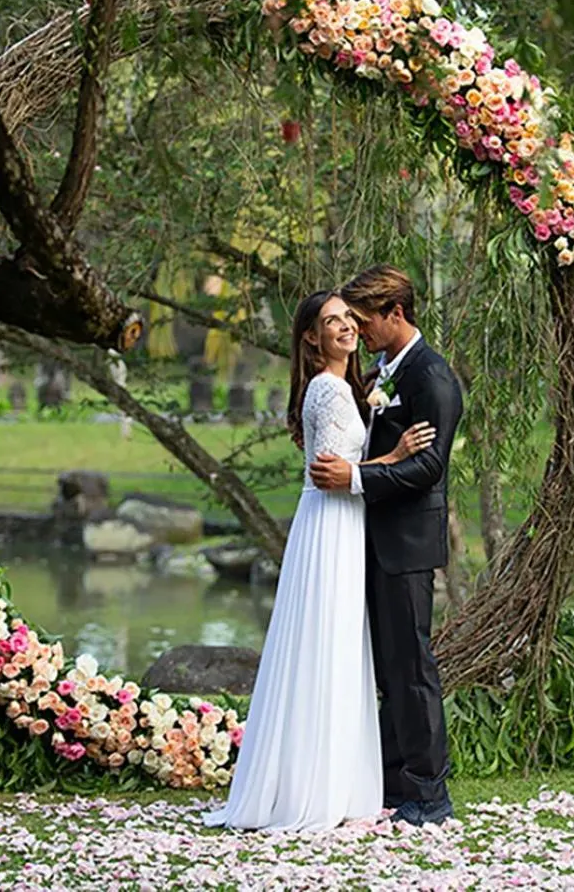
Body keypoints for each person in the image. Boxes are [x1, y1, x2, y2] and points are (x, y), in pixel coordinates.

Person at [203, 290, 436, 831]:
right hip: (333, 526)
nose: (345, 329)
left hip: (342, 525)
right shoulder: (328, 392)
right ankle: (319, 789)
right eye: (332, 322)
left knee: (334, 646)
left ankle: (331, 782)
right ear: (311, 337)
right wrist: (396, 456)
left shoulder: (347, 387)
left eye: (348, 319)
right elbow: (331, 475)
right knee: (328, 646)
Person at [309, 265, 463, 827]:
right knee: (387, 668)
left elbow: (427, 467)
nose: (359, 330)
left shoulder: (432, 378)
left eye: (364, 320)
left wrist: (354, 478)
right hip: (369, 540)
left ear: (396, 314)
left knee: (413, 665)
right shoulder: (385, 371)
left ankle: (429, 792)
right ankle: (396, 781)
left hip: (407, 545)